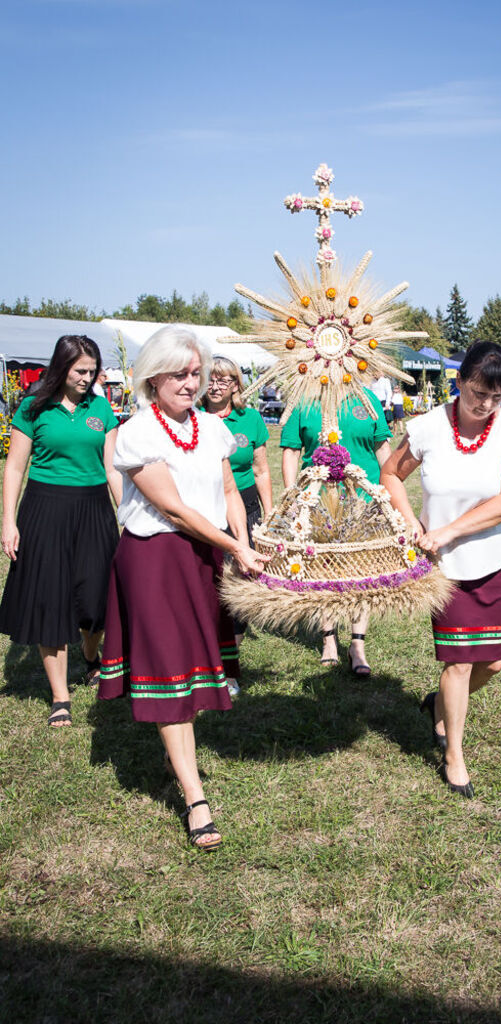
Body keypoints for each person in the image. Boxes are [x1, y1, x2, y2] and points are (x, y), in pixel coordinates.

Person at [97, 326, 267, 851]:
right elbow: (172, 508)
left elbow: (229, 492)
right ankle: (195, 797)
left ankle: (184, 759)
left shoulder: (212, 430)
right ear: (153, 375)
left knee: (192, 668)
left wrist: (243, 541)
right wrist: (234, 548)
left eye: (197, 373)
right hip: (154, 559)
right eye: (181, 374)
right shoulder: (137, 434)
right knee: (169, 671)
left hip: (205, 554)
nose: (192, 383)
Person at [380, 341, 501, 798]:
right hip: (443, 569)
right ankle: (453, 755)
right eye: (477, 393)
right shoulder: (428, 428)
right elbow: (390, 474)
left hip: (494, 560)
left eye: (495, 397)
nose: (485, 405)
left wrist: (448, 531)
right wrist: (414, 526)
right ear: (460, 381)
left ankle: (436, 705)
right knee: (459, 663)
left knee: (495, 660)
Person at [0, 335, 121, 727]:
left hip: (94, 510)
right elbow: (15, 467)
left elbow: (113, 469)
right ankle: (60, 696)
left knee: (96, 603)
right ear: (61, 367)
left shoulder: (102, 409)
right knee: (51, 600)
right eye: (80, 371)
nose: (88, 378)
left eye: (92, 371)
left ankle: (91, 656)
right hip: (45, 509)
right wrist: (8, 521)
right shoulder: (34, 407)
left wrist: (128, 515)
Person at [280, 387, 392, 673]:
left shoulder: (367, 398)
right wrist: (292, 495)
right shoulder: (304, 400)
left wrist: (389, 494)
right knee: (324, 571)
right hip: (317, 500)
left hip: (364, 501)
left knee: (362, 572)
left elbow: (382, 448)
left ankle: (357, 645)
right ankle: (329, 639)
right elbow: (292, 451)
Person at [200, 355, 273, 695]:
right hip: (202, 505)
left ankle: (229, 665)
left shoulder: (251, 419)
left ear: (236, 386)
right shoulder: (192, 418)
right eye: (210, 379)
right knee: (207, 579)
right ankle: (205, 658)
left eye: (223, 379)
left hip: (244, 504)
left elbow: (260, 470)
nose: (215, 385)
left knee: (241, 582)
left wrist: (270, 514)